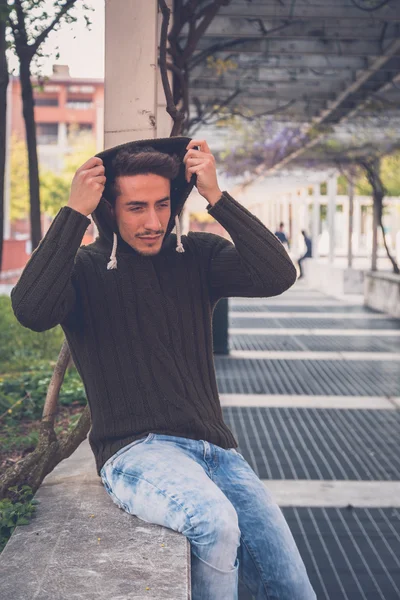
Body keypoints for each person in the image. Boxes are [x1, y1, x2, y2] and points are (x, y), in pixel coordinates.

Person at [11, 137, 316, 600]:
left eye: (162, 205)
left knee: (291, 585)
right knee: (212, 522)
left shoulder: (198, 256)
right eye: (136, 207)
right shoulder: (83, 270)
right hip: (136, 452)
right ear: (109, 210)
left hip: (219, 453)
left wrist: (217, 196)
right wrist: (72, 214)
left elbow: (278, 275)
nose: (153, 222)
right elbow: (31, 310)